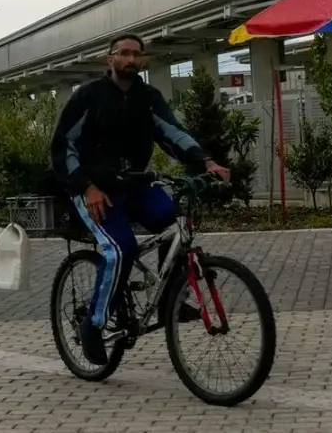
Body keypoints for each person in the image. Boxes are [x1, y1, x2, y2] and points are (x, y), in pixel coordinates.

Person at [49, 32, 230, 365]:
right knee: (120, 250)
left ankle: (168, 301)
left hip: (136, 186)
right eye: (124, 54)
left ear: (143, 60)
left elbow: (171, 131)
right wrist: (85, 186)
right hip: (94, 191)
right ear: (111, 59)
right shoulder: (88, 97)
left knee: (177, 225)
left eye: (137, 55)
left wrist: (205, 161)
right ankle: (94, 324)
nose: (131, 60)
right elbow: (63, 147)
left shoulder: (148, 97)